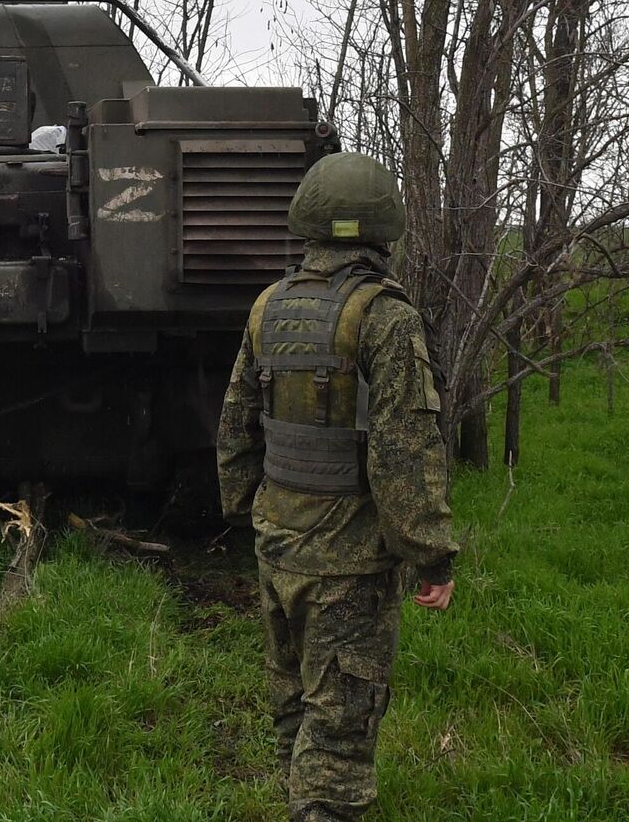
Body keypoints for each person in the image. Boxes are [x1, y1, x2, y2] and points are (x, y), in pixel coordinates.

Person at [215, 151, 458, 822]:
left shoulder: (270, 307)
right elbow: (404, 452)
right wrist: (431, 554)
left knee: (294, 708)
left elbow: (236, 429)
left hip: (278, 546)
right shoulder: (384, 317)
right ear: (384, 228)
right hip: (347, 563)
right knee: (340, 738)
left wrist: (250, 513)